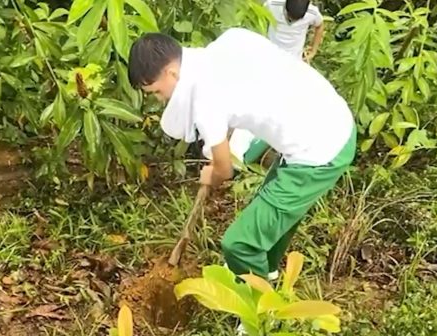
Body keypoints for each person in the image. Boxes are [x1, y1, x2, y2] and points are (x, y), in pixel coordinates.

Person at [128, 28, 356, 281]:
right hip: (328, 116)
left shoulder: (205, 99)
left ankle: (259, 313)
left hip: (321, 149)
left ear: (172, 72)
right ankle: (265, 274)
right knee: (270, 221)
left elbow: (225, 171)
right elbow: (242, 98)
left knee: (239, 245)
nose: (161, 100)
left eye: (157, 92)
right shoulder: (227, 43)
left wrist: (212, 174)